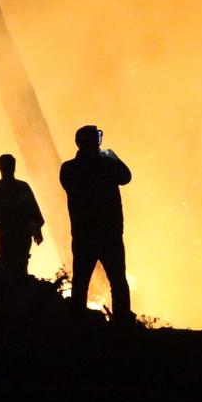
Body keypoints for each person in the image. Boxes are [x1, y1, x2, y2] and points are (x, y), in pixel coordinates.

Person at [59, 125, 133, 322]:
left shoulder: (69, 169)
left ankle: (77, 323)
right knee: (118, 281)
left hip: (83, 235)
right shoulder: (107, 165)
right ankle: (122, 323)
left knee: (81, 282)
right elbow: (126, 177)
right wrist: (112, 156)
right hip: (109, 234)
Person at [0, 153, 45, 277]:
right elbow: (34, 212)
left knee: (9, 269)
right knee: (17, 269)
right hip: (16, 238)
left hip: (12, 238)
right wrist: (37, 229)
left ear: (0, 168)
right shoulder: (22, 188)